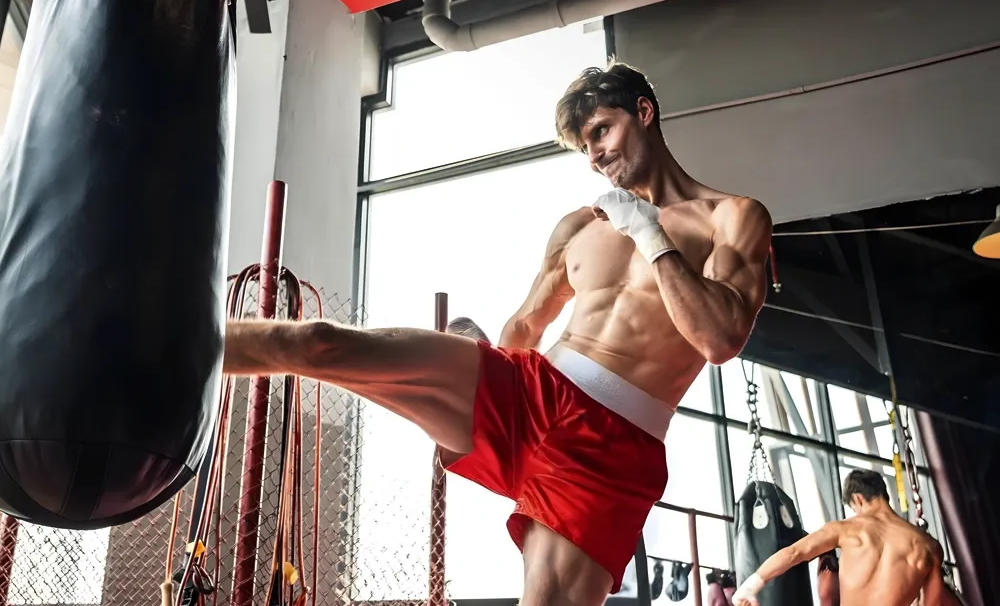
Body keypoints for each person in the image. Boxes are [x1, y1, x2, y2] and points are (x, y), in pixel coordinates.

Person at [226, 61, 774, 606]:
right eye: (585, 146)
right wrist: (478, 390)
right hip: (530, 390)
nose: (595, 156)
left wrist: (651, 236)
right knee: (317, 342)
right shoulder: (580, 227)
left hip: (610, 446)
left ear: (645, 113)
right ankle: (158, 350)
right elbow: (526, 327)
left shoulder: (730, 217)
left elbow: (718, 339)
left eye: (602, 131)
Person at [732, 469, 944, 606]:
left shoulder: (846, 529)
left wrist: (751, 586)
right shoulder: (928, 547)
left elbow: (795, 552)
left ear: (858, 499)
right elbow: (932, 603)